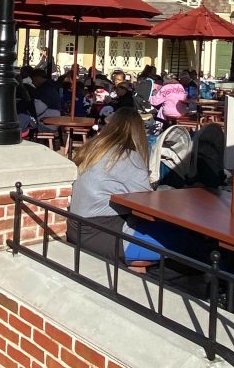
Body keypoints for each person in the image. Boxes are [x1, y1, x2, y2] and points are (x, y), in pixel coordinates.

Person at [67, 108, 200, 263]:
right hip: (107, 235)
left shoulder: (93, 149)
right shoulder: (127, 156)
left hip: (77, 229)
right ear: (138, 132)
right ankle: (224, 276)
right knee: (186, 239)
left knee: (179, 236)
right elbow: (147, 203)